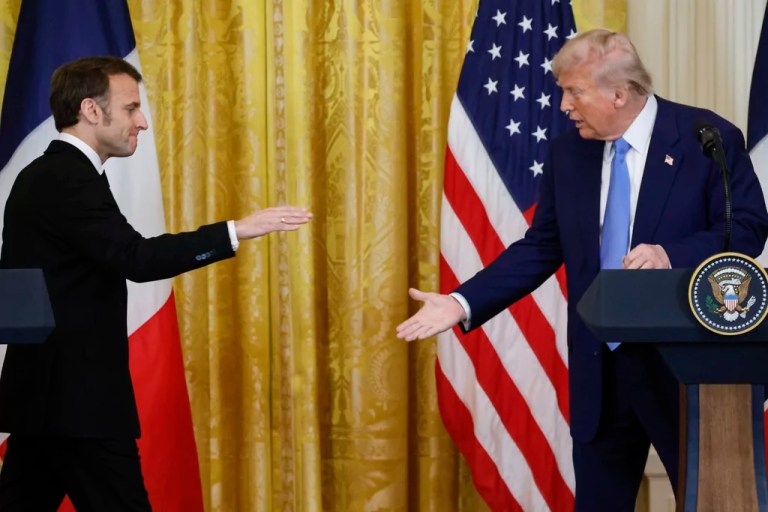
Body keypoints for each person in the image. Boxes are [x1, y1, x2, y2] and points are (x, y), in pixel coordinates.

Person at [397, 29, 768, 510]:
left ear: (618, 93)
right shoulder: (568, 152)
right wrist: (462, 300)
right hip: (600, 373)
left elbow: (746, 228)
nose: (564, 105)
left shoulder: (705, 137)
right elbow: (541, 246)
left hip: (686, 373)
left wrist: (670, 255)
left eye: (574, 91)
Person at [0, 56, 312, 510]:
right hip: (77, 404)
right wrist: (235, 230)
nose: (142, 122)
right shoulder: (67, 177)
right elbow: (137, 258)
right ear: (91, 110)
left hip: (47, 401)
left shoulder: (48, 175)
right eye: (131, 108)